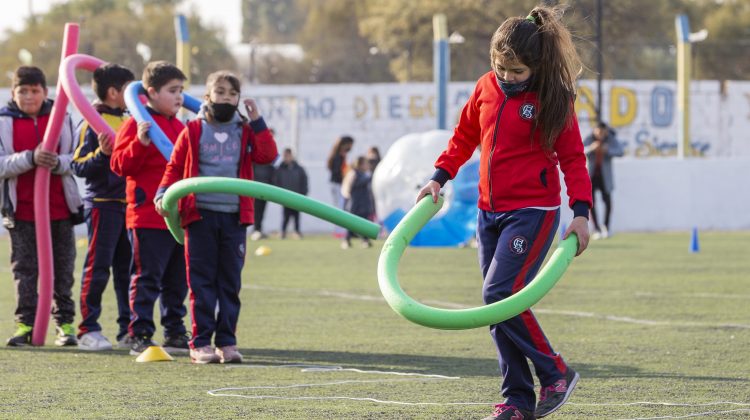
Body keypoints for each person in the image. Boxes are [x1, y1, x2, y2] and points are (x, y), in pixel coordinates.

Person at [416, 6, 592, 420]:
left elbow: (573, 159)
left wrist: (580, 213)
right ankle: (517, 400)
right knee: (496, 309)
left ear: (536, 65)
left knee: (497, 296)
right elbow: (463, 138)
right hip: (488, 212)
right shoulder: (484, 88)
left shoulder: (553, 98)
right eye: (500, 68)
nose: (507, 77)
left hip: (533, 211)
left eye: (516, 71)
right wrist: (438, 178)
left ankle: (555, 372)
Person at [155, 70, 277, 363]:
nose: (226, 98)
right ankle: (200, 343)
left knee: (230, 283)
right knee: (201, 281)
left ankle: (227, 342)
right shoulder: (193, 130)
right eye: (220, 92)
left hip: (234, 217)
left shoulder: (245, 130)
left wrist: (257, 120)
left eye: (232, 94)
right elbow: (174, 167)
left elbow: (267, 155)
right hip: (200, 216)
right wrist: (163, 193)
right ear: (207, 96)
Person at [110, 61, 190, 356]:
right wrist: (141, 144)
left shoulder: (181, 127)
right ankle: (139, 332)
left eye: (181, 90)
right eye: (172, 91)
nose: (179, 97)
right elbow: (119, 165)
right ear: (152, 93)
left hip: (177, 217)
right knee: (147, 278)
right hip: (146, 216)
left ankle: (174, 330)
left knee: (177, 279)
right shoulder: (136, 124)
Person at [0, 66, 83, 346]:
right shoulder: (4, 121)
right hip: (21, 212)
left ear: (44, 92)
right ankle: (26, 325)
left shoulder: (61, 118)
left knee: (63, 269)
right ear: (14, 93)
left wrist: (58, 162)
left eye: (34, 91)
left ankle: (65, 324)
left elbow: (77, 158)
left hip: (59, 209)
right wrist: (30, 158)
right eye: (22, 91)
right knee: (25, 270)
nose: (29, 96)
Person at [71, 63, 135, 351]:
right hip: (102, 206)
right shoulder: (90, 122)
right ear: (113, 92)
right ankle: (88, 329)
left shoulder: (132, 120)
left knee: (128, 271)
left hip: (129, 206)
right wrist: (101, 153)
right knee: (98, 268)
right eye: (129, 89)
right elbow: (78, 165)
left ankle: (128, 330)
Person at [583, 121, 623, 239]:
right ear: (595, 130)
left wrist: (608, 150)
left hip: (605, 177)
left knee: (608, 202)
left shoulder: (610, 139)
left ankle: (606, 227)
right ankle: (596, 229)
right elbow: (580, 150)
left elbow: (620, 151)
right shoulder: (589, 138)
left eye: (603, 132)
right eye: (599, 132)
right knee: (591, 203)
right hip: (591, 176)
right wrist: (592, 148)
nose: (601, 134)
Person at [274, 147, 308, 239]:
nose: (287, 158)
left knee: (296, 215)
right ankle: (283, 232)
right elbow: (276, 182)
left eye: (288, 155)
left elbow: (304, 181)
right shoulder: (280, 169)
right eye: (285, 156)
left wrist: (303, 193)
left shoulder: (299, 169)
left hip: (297, 196)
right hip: (285, 197)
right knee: (285, 216)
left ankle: (297, 231)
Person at [250, 128, 278, 241]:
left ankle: (259, 229)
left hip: (266, 187)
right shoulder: (257, 150)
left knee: (262, 209)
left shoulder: (272, 153)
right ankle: (256, 230)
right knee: (256, 209)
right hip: (256, 186)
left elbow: (274, 170)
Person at [341, 156, 374, 249]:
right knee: (351, 223)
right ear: (360, 164)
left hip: (363, 203)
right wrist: (369, 178)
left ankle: (365, 240)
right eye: (366, 163)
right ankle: (346, 240)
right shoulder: (353, 173)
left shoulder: (363, 174)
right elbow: (351, 187)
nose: (368, 165)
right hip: (355, 204)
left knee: (365, 223)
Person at [326, 135, 353, 208]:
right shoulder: (338, 157)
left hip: (339, 183)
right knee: (339, 206)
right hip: (337, 183)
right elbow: (337, 171)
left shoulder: (341, 156)